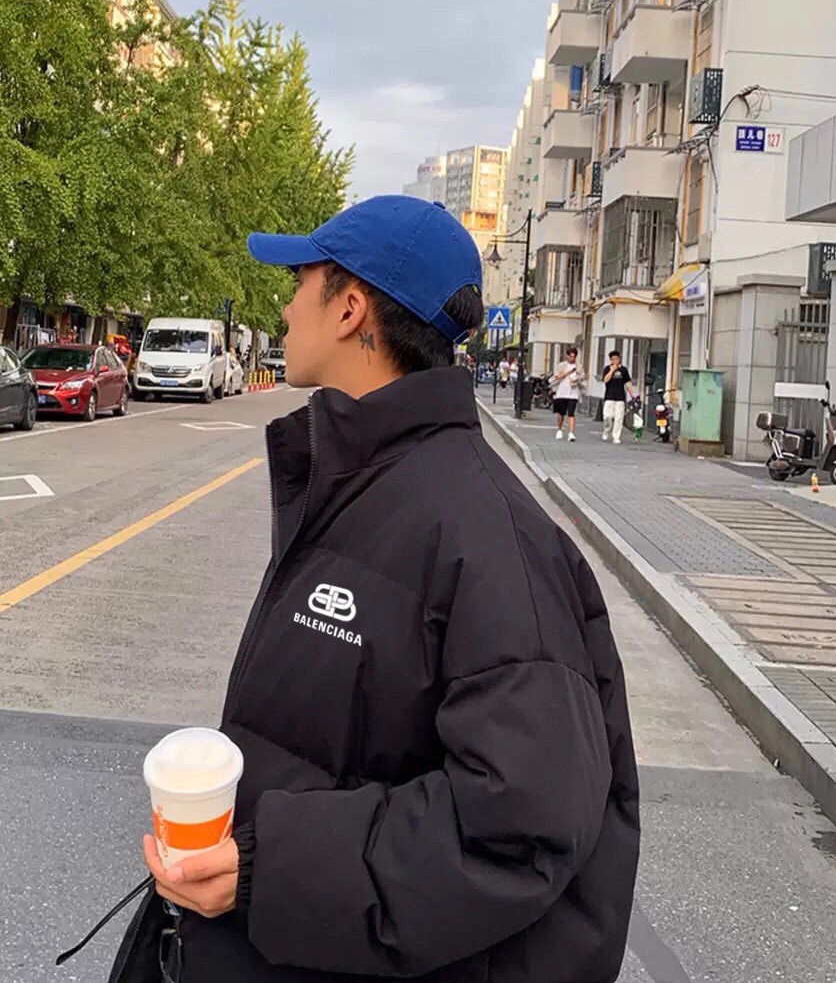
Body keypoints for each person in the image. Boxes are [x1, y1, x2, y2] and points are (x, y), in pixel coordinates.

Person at [107, 196, 638, 983]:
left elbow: (519, 824)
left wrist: (270, 869)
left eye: (300, 281)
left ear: (351, 308)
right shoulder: (359, 480)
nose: (285, 307)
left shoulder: (493, 538)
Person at [602, 349, 636, 445]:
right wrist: (612, 370)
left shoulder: (624, 370)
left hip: (620, 397)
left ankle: (616, 436)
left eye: (616, 359)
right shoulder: (607, 369)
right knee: (607, 416)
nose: (615, 361)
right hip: (609, 396)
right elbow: (605, 380)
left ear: (619, 359)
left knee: (619, 418)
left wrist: (632, 393)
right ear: (610, 360)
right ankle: (606, 430)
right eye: (613, 359)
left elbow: (627, 382)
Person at [550, 346, 584, 442]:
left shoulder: (579, 367)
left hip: (573, 393)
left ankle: (571, 433)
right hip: (562, 392)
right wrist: (568, 372)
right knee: (561, 413)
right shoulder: (561, 365)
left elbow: (582, 377)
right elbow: (557, 376)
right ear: (567, 356)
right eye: (571, 356)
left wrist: (577, 377)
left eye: (574, 357)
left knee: (571, 412)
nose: (572, 358)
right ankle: (559, 429)